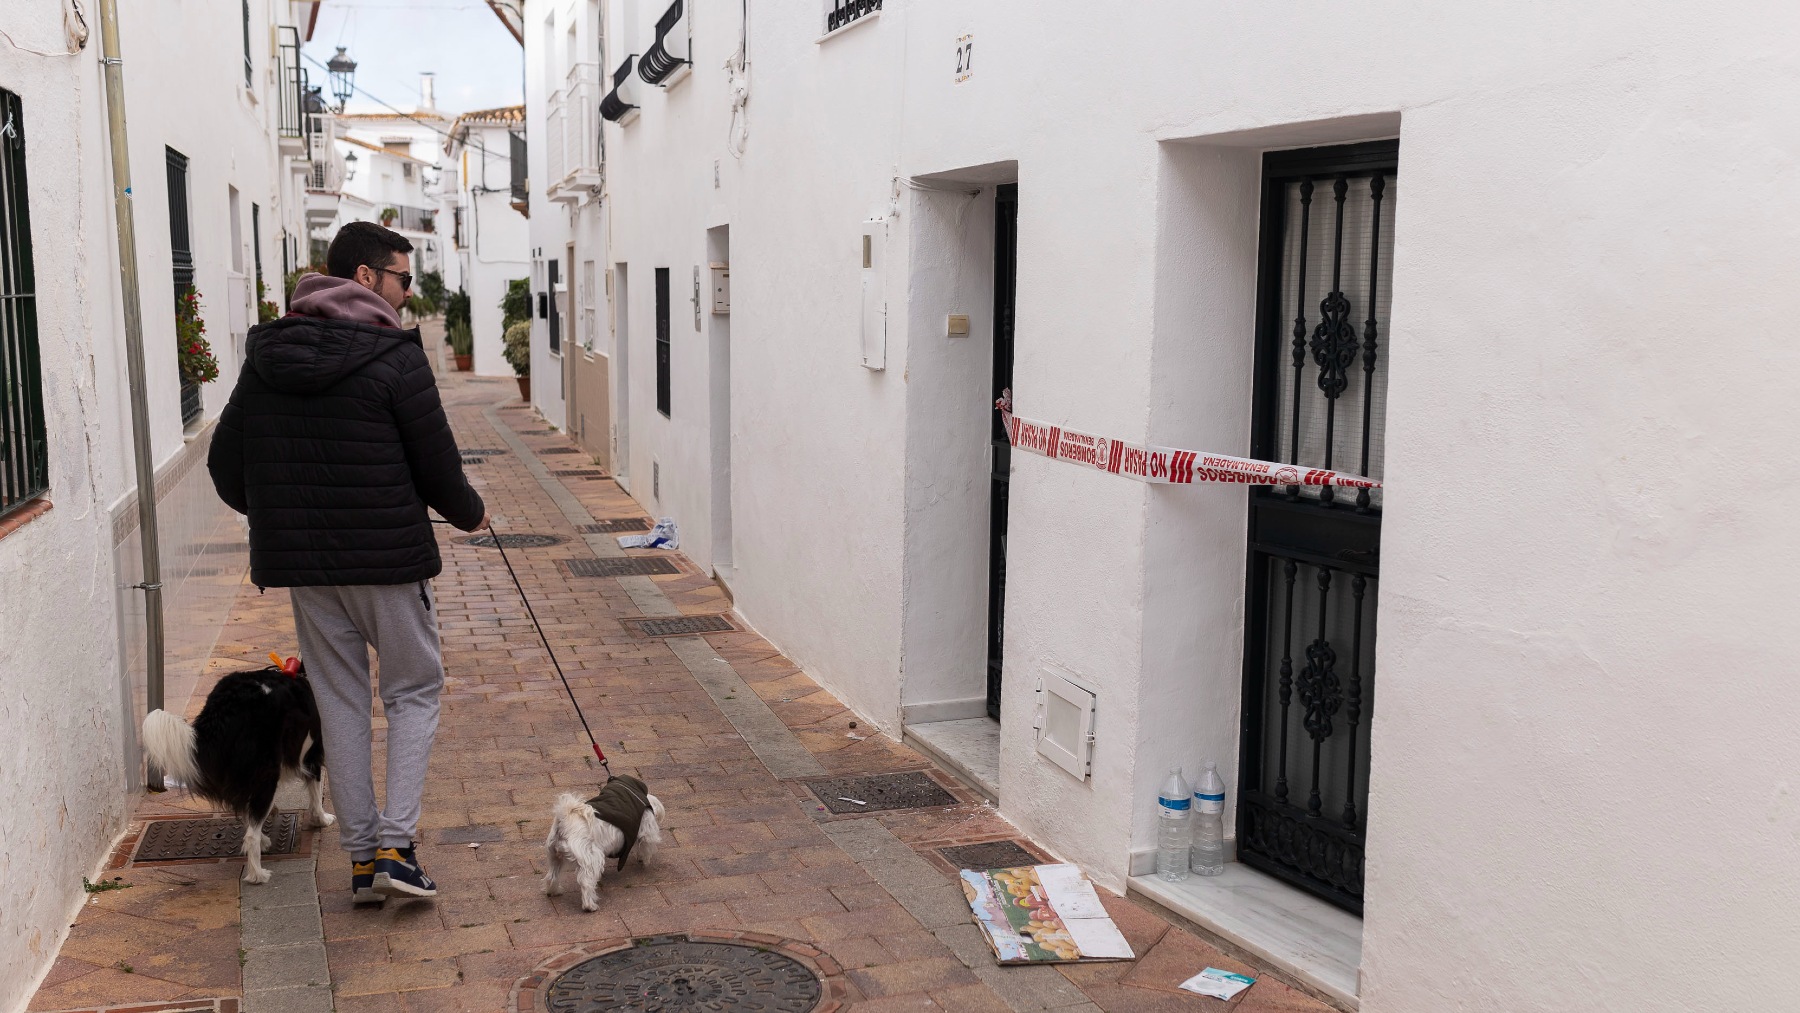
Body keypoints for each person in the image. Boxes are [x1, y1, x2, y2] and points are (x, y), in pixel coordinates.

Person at [209, 222, 487, 904]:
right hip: (386, 559)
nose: (407, 292)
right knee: (415, 689)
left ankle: (364, 863)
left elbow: (224, 465)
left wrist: (281, 515)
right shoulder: (395, 355)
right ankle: (396, 845)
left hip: (308, 569)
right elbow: (436, 463)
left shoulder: (268, 354)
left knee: (339, 702)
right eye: (402, 278)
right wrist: (471, 512)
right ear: (366, 278)